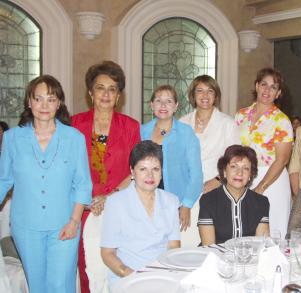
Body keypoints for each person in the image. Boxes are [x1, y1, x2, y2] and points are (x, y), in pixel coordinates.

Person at [0, 75, 92, 292]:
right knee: (38, 286)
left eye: (50, 99)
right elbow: (3, 180)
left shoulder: (74, 138)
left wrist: (74, 221)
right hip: (26, 227)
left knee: (61, 285)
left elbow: (82, 184)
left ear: (58, 103)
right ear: (29, 102)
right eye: (38, 98)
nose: (44, 105)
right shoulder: (12, 138)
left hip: (64, 225)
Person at [72, 60, 140, 293]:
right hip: (83, 209)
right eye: (100, 87)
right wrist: (87, 200)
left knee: (120, 266)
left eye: (112, 89)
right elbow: (68, 170)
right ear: (91, 92)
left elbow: (136, 171)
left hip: (119, 207)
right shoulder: (74, 124)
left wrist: (109, 197)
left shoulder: (131, 126)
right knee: (88, 269)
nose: (106, 94)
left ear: (118, 96)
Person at [101, 140, 180, 286]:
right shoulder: (115, 203)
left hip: (162, 275)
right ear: (132, 171)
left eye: (155, 169)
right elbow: (107, 253)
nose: (150, 175)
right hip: (127, 277)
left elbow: (174, 246)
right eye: (143, 169)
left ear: (161, 172)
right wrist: (132, 275)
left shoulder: (171, 201)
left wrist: (166, 274)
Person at [180, 75, 240, 245]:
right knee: (186, 241)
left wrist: (217, 180)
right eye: (200, 91)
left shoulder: (227, 123)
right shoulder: (183, 123)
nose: (205, 96)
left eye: (210, 91)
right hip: (187, 191)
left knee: (211, 243)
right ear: (193, 95)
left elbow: (235, 159)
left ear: (216, 96)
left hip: (215, 189)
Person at [235, 67, 293, 237]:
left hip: (272, 180)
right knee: (245, 231)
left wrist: (261, 187)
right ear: (256, 86)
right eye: (264, 84)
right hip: (243, 176)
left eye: (273, 87)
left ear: (278, 93)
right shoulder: (241, 115)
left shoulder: (281, 120)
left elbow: (282, 160)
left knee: (273, 232)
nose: (267, 90)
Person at [140, 85, 203, 234]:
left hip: (176, 204)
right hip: (146, 202)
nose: (163, 105)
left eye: (168, 101)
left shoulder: (186, 133)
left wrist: (186, 205)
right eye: (158, 101)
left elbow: (196, 174)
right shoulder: (142, 131)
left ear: (176, 106)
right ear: (151, 105)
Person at [198, 145, 269, 245]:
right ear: (224, 171)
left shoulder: (261, 202)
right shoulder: (208, 200)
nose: (239, 173)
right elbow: (209, 246)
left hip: (248, 258)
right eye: (233, 166)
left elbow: (261, 245)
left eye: (245, 168)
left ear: (250, 175)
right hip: (215, 257)